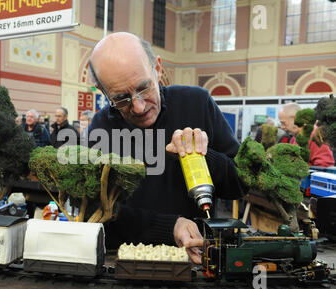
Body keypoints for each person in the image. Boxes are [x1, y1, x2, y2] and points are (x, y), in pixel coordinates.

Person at [87, 32, 247, 264]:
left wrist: (202, 156)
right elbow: (99, 212)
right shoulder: (102, 127)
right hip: (126, 263)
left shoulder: (197, 103)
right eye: (121, 99)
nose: (139, 107)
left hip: (197, 261)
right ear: (103, 91)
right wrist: (170, 226)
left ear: (158, 68)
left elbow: (238, 185)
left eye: (144, 88)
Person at [279, 103, 334, 167]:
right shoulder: (295, 137)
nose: (282, 127)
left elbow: (324, 166)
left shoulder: (315, 136)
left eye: (283, 123)